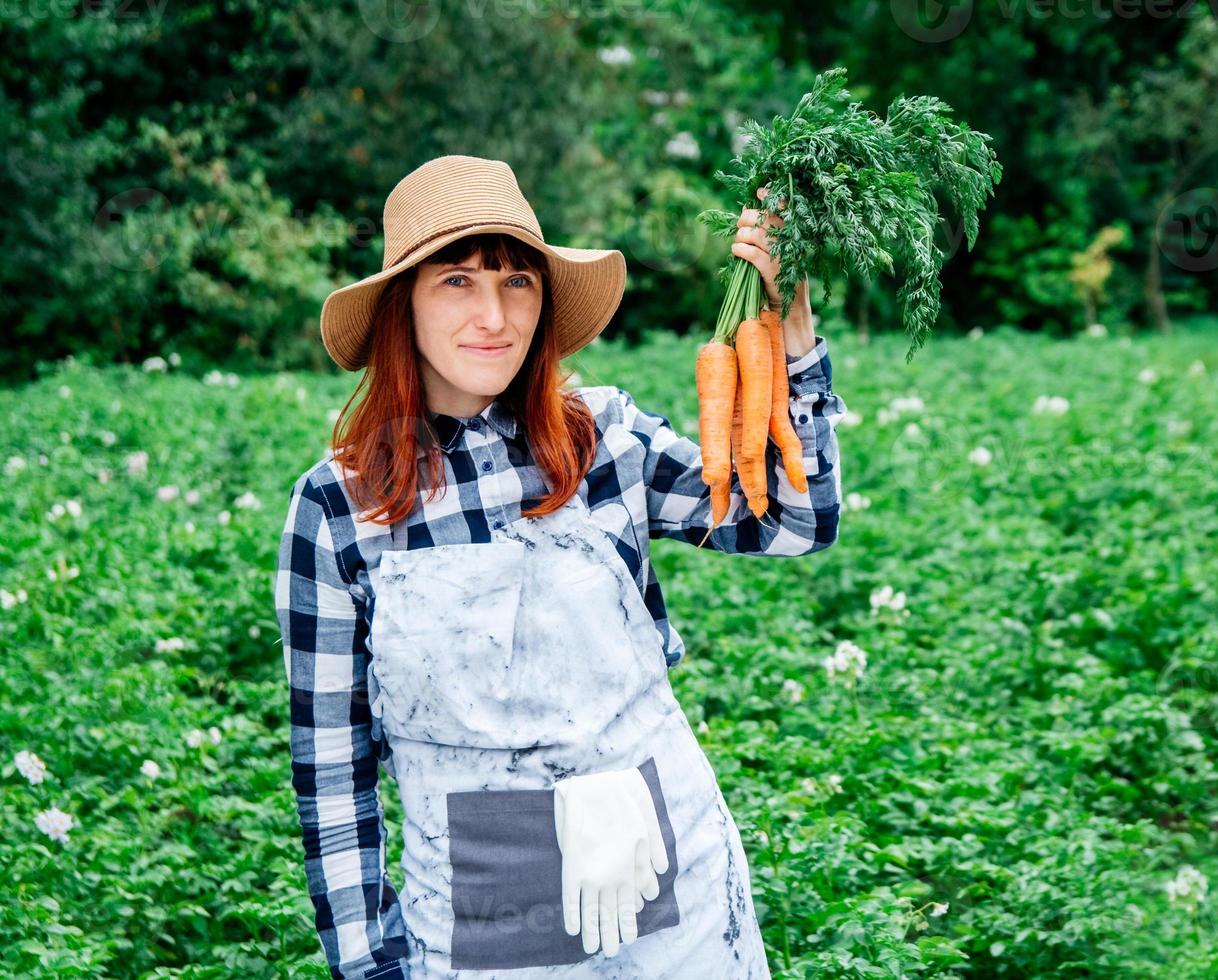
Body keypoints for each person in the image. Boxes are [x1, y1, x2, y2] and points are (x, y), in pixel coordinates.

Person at [273, 155, 846, 979]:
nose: (494, 316)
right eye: (458, 282)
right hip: (481, 934)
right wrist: (371, 966)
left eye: (517, 283)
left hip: (673, 901)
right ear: (403, 306)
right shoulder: (338, 508)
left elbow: (797, 521)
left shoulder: (602, 439)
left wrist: (788, 342)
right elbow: (331, 773)